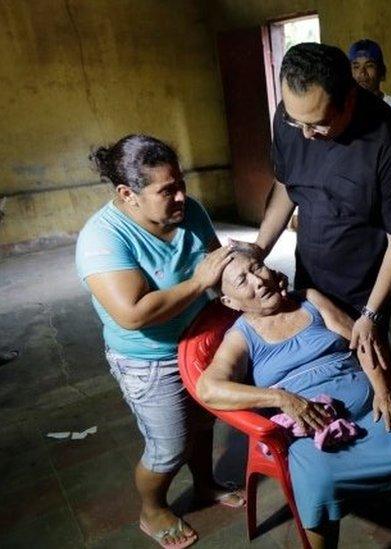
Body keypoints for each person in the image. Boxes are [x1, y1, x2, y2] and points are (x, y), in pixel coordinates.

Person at [75, 134, 246, 549]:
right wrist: (200, 280)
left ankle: (205, 483)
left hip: (198, 341)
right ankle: (152, 510)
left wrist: (245, 269)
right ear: (127, 194)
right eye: (166, 190)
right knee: (168, 445)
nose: (182, 196)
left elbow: (214, 263)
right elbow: (132, 314)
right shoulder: (103, 239)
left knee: (204, 421)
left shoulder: (191, 212)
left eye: (181, 183)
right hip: (148, 359)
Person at [195, 253, 391, 549]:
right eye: (243, 280)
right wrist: (281, 398)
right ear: (231, 302)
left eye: (257, 267)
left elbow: (361, 338)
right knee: (319, 481)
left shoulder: (309, 299)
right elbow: (209, 388)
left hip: (370, 410)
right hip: (312, 431)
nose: (258, 280)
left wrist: (383, 390)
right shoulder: (241, 336)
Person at [250, 43, 391, 372]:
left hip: (366, 287)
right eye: (296, 121)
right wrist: (259, 249)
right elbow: (286, 187)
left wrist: (372, 312)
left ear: (349, 99)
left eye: (318, 124)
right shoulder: (290, 118)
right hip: (310, 277)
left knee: (376, 372)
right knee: (323, 364)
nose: (305, 135)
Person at [349, 38, 391, 127]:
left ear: (381, 71)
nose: (362, 72)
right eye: (356, 67)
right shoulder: (343, 111)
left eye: (369, 66)